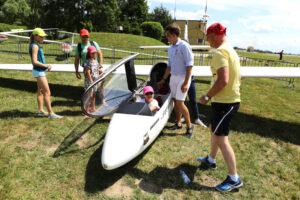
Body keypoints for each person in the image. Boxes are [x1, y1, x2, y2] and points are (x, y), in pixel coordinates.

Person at [198, 22, 242, 192]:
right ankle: (211, 159)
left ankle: (234, 178)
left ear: (216, 35)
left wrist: (207, 96)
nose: (209, 42)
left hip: (225, 102)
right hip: (226, 100)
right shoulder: (230, 49)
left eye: (209, 39)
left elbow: (223, 80)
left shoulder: (220, 52)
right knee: (213, 129)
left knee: (221, 139)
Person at [158, 23, 194, 138]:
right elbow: (169, 65)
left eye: (168, 35)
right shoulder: (171, 48)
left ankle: (189, 126)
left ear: (174, 35)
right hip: (173, 76)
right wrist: (164, 79)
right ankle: (178, 123)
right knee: (174, 100)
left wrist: (186, 82)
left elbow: (189, 65)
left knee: (180, 102)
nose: (166, 37)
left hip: (183, 77)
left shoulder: (184, 46)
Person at [29, 28, 63, 119]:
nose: (43, 38)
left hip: (39, 71)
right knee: (47, 92)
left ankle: (40, 111)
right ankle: (51, 113)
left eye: (43, 36)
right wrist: (46, 65)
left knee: (40, 91)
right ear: (36, 36)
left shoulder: (35, 44)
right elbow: (34, 61)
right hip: (39, 71)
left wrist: (44, 66)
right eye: (41, 36)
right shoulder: (35, 46)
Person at [83, 46, 103, 115]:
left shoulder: (95, 61)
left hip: (95, 81)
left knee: (93, 95)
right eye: (92, 53)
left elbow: (97, 70)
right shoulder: (87, 62)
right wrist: (91, 81)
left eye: (95, 53)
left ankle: (93, 109)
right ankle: (86, 111)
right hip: (89, 82)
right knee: (89, 96)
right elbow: (88, 72)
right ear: (89, 53)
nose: (94, 54)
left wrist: (98, 78)